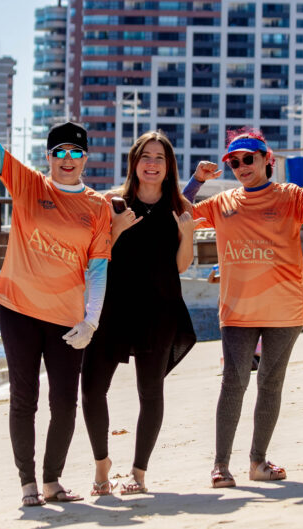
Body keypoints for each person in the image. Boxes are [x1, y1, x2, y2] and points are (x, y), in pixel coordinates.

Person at [0, 72, 112, 506]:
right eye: (60, 151)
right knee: (25, 397)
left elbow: (98, 267)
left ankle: (52, 481)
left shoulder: (98, 206)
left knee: (65, 403)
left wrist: (91, 320)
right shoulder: (29, 184)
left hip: (66, 319)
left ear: (85, 158)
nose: (67, 158)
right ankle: (28, 485)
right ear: (49, 156)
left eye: (75, 152)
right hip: (20, 310)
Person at [182, 127, 303, 488]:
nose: (241, 166)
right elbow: (178, 212)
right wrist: (196, 180)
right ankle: (221, 466)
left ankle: (258, 462)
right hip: (237, 311)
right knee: (233, 383)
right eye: (234, 161)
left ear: (266, 160)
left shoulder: (290, 196)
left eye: (248, 159)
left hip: (285, 309)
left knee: (270, 384)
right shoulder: (222, 203)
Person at [81, 131, 198, 496]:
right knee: (92, 388)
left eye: (159, 158)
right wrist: (116, 231)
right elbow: (94, 256)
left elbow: (179, 267)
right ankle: (102, 464)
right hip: (111, 310)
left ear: (169, 166)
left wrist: (188, 235)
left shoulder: (179, 208)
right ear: (134, 162)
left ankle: (139, 473)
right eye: (145, 156)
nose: (151, 163)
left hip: (159, 311)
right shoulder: (112, 203)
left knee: (151, 392)